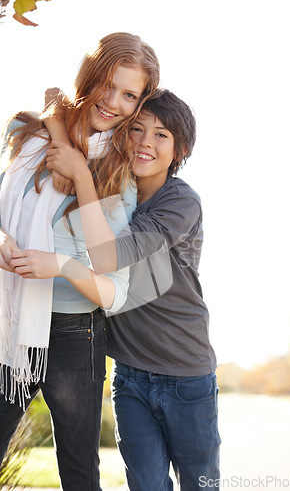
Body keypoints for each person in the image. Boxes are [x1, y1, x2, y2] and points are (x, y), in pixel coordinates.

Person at [0, 32, 160, 491]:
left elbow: (109, 273)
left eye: (129, 95)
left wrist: (81, 174)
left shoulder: (119, 173)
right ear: (89, 76)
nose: (113, 102)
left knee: (78, 473)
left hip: (75, 330)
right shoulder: (25, 133)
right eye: (107, 84)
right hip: (10, 323)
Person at [44, 89, 221, 491]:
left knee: (201, 483)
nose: (145, 141)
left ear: (181, 150)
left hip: (186, 374)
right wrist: (58, 126)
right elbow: (57, 104)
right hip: (130, 375)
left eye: (161, 135)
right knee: (146, 485)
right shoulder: (111, 193)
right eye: (136, 129)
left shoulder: (180, 202)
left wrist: (82, 176)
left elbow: (106, 257)